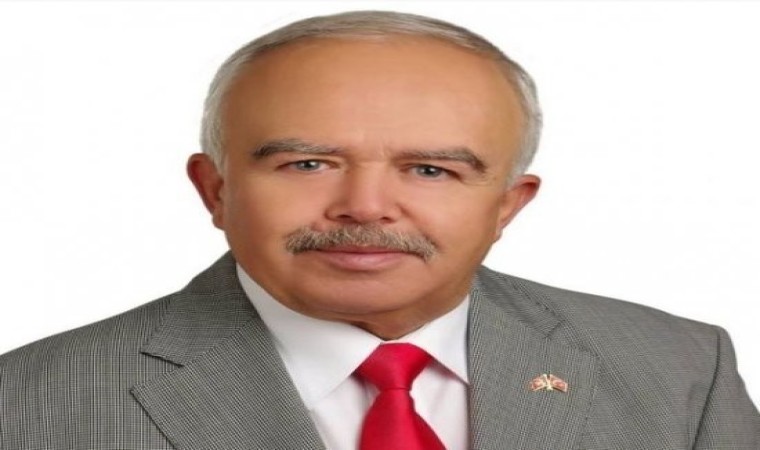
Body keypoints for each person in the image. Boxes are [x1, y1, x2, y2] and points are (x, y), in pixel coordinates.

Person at [1, 9, 758, 450]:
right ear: (216, 190)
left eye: (430, 169)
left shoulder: (682, 372)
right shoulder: (28, 405)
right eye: (307, 164)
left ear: (508, 205)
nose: (364, 207)